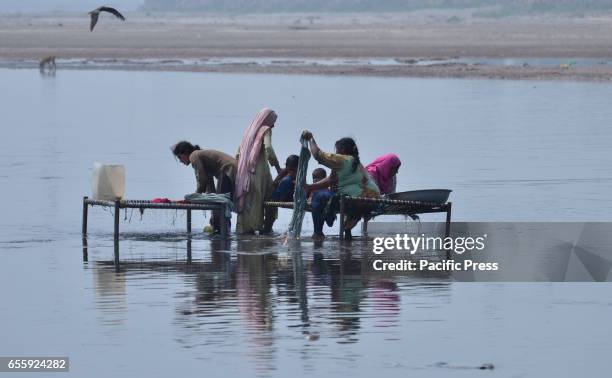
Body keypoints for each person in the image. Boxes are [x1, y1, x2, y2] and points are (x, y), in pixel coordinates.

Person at [302, 131, 380, 238]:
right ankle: (348, 230)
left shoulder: (343, 159)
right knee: (340, 196)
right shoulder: (355, 163)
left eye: (337, 149)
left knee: (317, 196)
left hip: (359, 200)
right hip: (374, 200)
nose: (336, 152)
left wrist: (311, 138)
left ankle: (318, 233)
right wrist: (310, 187)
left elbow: (317, 155)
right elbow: (331, 180)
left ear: (342, 149)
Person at [234, 108, 282, 234]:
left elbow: (238, 153)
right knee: (270, 199)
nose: (273, 125)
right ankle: (264, 229)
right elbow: (269, 148)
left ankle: (244, 231)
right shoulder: (265, 130)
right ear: (267, 120)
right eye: (273, 121)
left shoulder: (248, 132)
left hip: (244, 172)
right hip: (260, 172)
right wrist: (277, 167)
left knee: (248, 201)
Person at [172, 141, 237, 233]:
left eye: (180, 157)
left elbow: (201, 179)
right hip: (230, 171)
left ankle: (222, 231)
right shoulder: (201, 158)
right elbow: (209, 187)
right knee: (220, 203)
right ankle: (220, 229)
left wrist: (195, 196)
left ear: (185, 153)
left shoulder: (194, 155)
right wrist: (212, 212)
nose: (180, 161)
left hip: (228, 171)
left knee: (221, 202)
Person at [262, 155, 299, 233]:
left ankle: (267, 234)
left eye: (294, 170)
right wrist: (282, 181)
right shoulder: (285, 173)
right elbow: (274, 184)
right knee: (269, 220)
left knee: (270, 220)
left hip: (287, 195)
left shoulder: (299, 173)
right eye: (291, 170)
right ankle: (265, 235)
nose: (292, 172)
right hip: (276, 197)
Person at [307, 168, 335, 240]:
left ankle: (328, 219)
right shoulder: (314, 188)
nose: (315, 180)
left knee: (322, 209)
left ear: (325, 179)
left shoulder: (325, 189)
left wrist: (310, 199)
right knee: (322, 211)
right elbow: (309, 196)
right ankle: (329, 218)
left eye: (317, 178)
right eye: (314, 178)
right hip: (323, 203)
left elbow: (311, 197)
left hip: (324, 201)